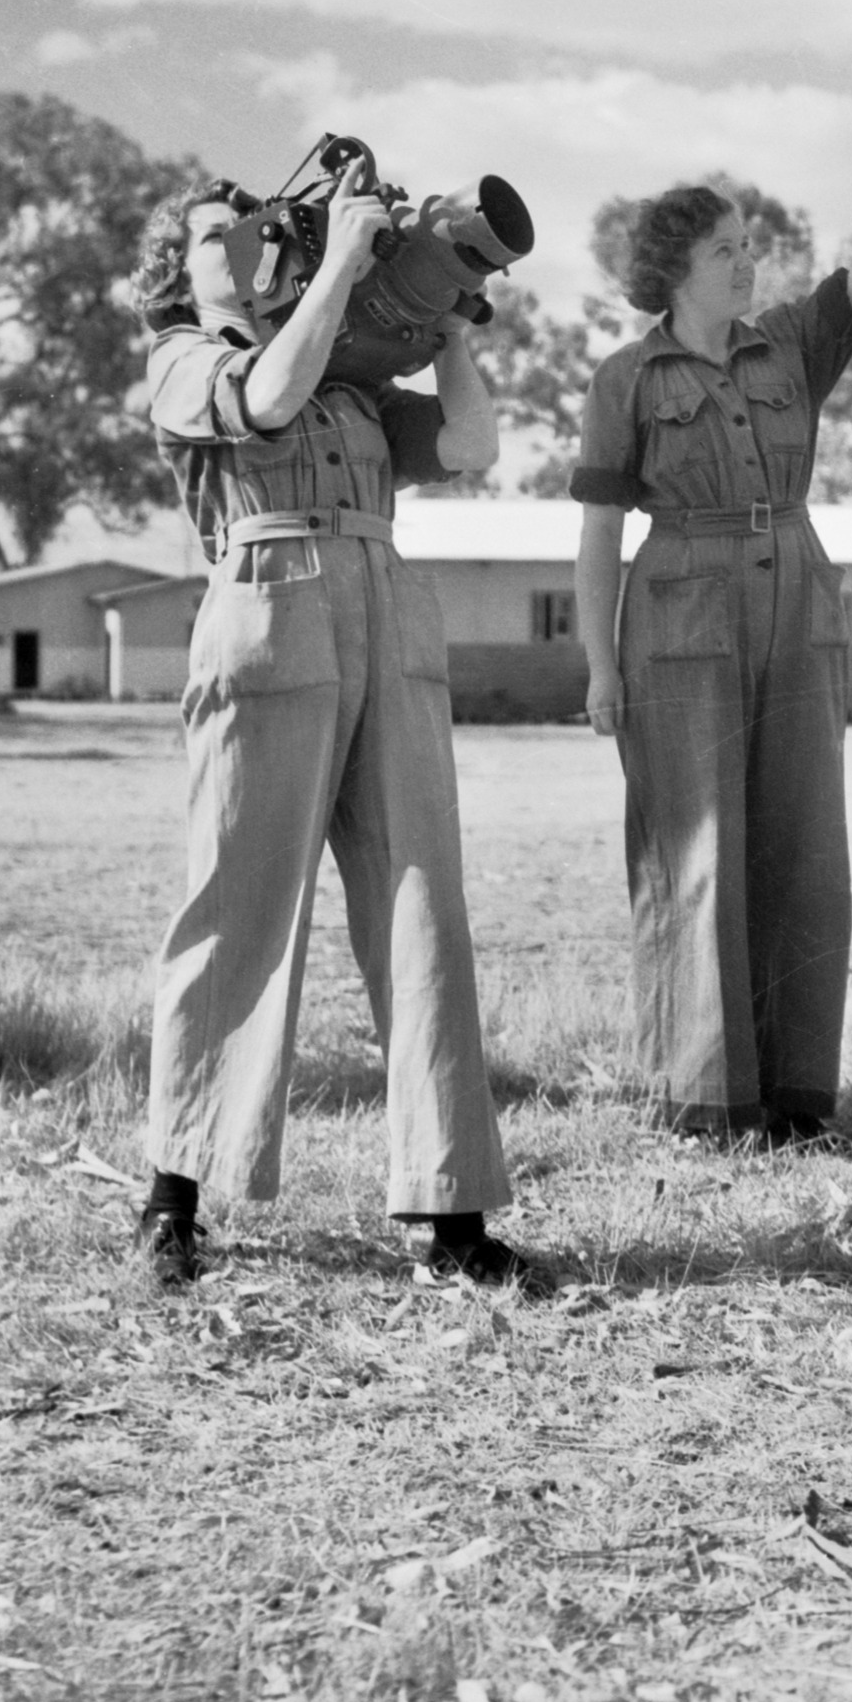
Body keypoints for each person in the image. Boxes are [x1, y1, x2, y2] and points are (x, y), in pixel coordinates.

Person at [129, 164, 537, 1290]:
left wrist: (447, 329)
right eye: (219, 236)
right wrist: (343, 269)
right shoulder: (182, 357)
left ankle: (452, 1213)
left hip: (385, 610)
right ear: (181, 272)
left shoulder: (350, 384)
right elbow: (263, 400)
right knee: (239, 904)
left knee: (421, 906)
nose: (248, 245)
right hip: (269, 614)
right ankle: (173, 1196)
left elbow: (469, 448)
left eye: (260, 229)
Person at [570, 95, 852, 1145]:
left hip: (795, 592)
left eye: (748, 246)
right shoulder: (624, 380)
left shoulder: (791, 346)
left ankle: (797, 1094)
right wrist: (597, 664)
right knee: (698, 852)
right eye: (725, 249)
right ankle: (704, 1096)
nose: (747, 263)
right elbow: (596, 532)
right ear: (674, 269)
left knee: (805, 847)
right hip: (677, 610)